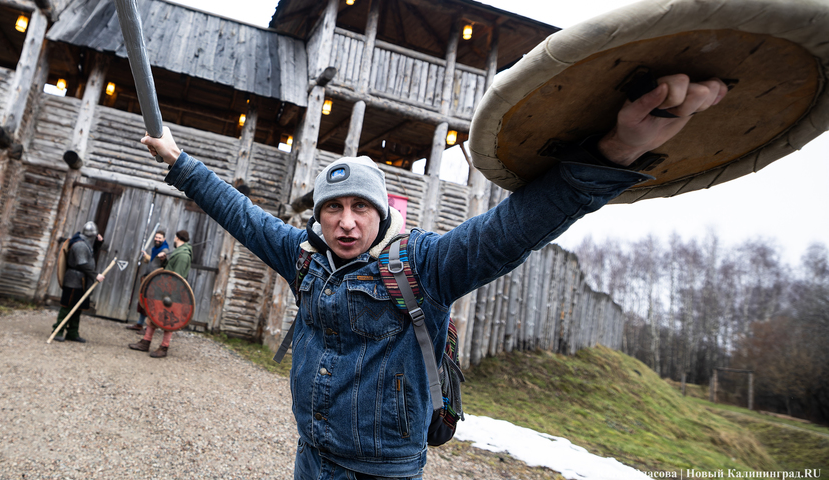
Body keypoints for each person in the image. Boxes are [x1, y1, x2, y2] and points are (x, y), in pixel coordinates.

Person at [141, 74, 726, 478]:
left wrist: (615, 150)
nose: (346, 222)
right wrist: (180, 163)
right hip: (312, 456)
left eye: (360, 207)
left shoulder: (425, 264)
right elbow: (241, 215)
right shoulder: (304, 257)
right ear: (318, 217)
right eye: (333, 208)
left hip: (385, 469)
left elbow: (509, 230)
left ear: (382, 212)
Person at [128, 230, 193, 358]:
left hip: (172, 294)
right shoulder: (178, 252)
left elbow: (177, 277)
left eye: (174, 237)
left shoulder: (183, 255)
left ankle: (164, 347)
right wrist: (164, 261)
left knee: (168, 320)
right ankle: (145, 342)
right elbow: (169, 269)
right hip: (165, 290)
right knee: (154, 314)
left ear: (177, 238)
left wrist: (168, 293)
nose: (173, 239)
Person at [52, 221, 106, 343]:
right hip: (74, 280)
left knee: (78, 308)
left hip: (81, 281)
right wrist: (95, 275)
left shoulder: (84, 243)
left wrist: (98, 244)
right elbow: (82, 263)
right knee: (67, 307)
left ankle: (72, 333)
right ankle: (57, 331)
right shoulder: (80, 245)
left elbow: (89, 255)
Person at [125, 230, 169, 331]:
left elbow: (165, 260)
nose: (157, 239)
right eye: (156, 237)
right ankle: (140, 324)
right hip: (148, 279)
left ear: (164, 239)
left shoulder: (165, 250)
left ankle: (149, 328)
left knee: (151, 304)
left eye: (159, 238)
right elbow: (153, 262)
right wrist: (146, 256)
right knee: (143, 302)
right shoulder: (155, 249)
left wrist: (163, 257)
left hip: (156, 281)